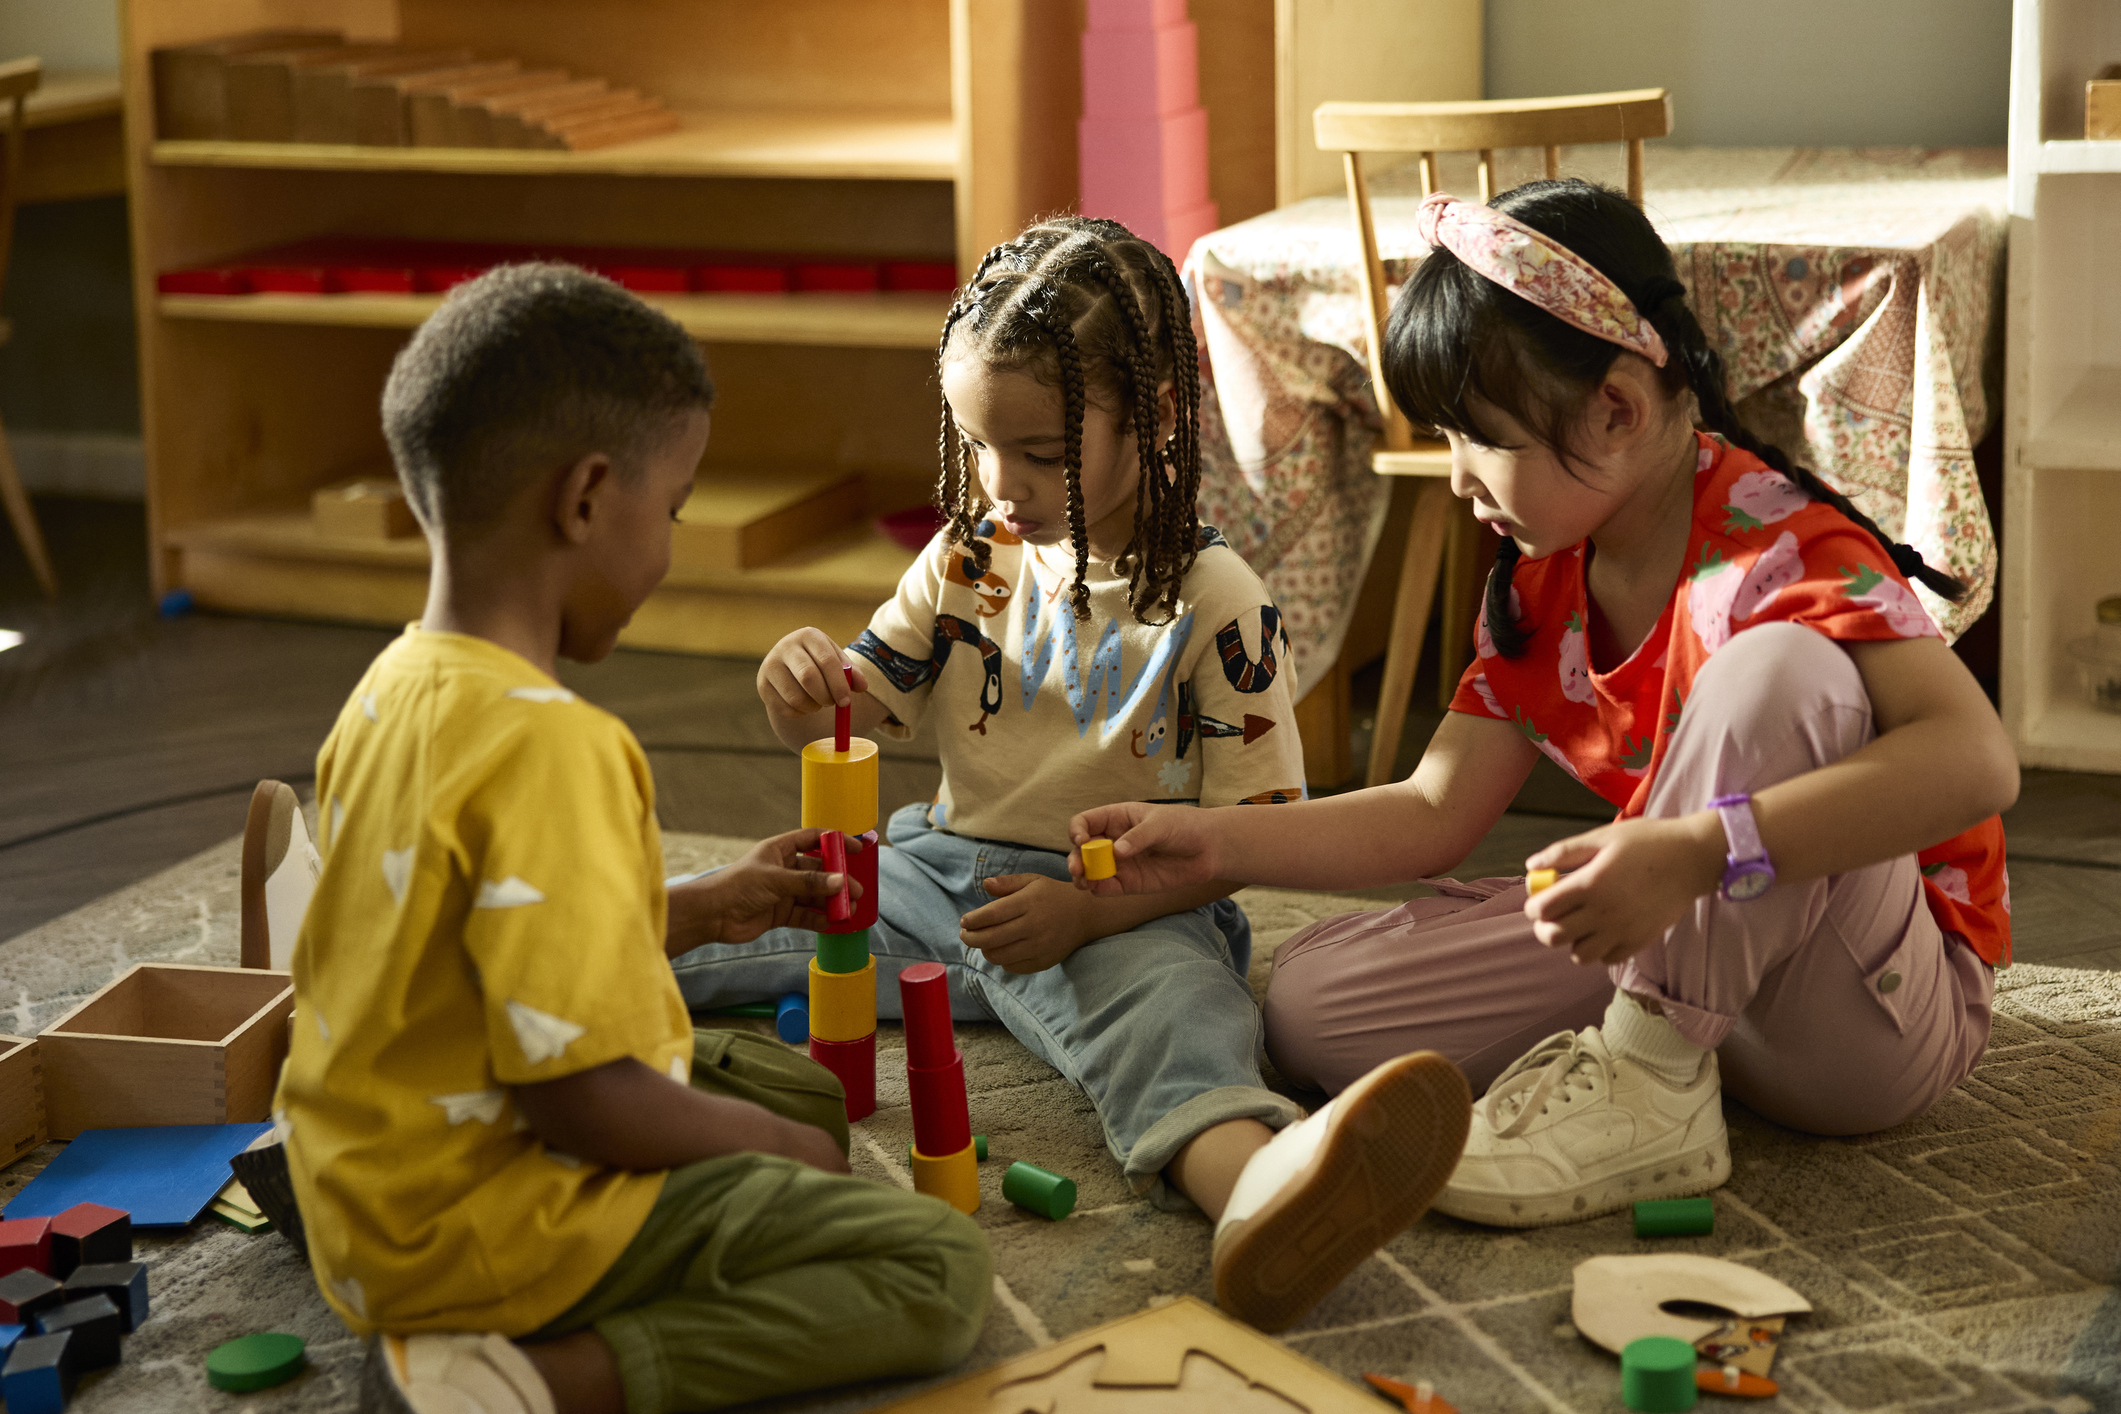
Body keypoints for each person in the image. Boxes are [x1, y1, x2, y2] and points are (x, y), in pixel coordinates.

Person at [1070, 180, 2015, 1230]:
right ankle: (1665, 1037)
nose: (1458, 480)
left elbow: (1978, 763)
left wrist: (1699, 851)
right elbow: (1434, 811)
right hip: (1707, 959)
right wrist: (1213, 845)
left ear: (1615, 406)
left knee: (1780, 672)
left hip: (1868, 1017)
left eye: (1479, 438)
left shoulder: (1779, 547)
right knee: (1308, 1002)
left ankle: (1652, 1078)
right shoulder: (1544, 576)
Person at [672, 216, 1471, 1333]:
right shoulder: (966, 557)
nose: (1003, 483)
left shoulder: (1219, 601)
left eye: (1042, 454)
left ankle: (1266, 1194)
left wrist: (1089, 914)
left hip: (1137, 904)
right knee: (754, 911)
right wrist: (795, 682)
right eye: (978, 443)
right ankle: (531, 990)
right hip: (945, 872)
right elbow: (848, 709)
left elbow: (1243, 841)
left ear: (1154, 419)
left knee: (1181, 1029)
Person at [277, 264, 992, 1414]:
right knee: (930, 1264)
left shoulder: (391, 689)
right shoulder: (557, 746)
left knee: (799, 1090)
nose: (666, 548)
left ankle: (487, 1326)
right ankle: (520, 1381)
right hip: (487, 1214)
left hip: (362, 1198)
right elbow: (582, 1100)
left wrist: (708, 906)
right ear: (585, 499)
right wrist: (761, 1148)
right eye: (670, 510)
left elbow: (475, 942)